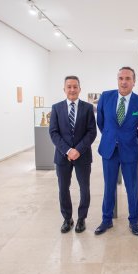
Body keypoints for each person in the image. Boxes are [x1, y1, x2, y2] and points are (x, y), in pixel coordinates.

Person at [95, 66, 138, 236]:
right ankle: (106, 219)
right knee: (109, 186)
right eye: (121, 78)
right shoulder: (106, 97)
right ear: (117, 80)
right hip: (109, 149)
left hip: (129, 150)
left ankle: (134, 221)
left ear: (134, 81)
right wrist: (112, 137)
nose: (124, 81)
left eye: (128, 78)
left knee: (131, 187)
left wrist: (129, 140)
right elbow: (101, 122)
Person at [49, 75, 97, 234]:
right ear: (64, 89)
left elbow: (92, 132)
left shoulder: (88, 108)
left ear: (80, 89)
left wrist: (78, 150)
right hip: (63, 156)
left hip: (82, 156)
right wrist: (68, 150)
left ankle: (82, 218)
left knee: (85, 188)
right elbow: (54, 133)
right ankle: (67, 218)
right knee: (63, 188)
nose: (72, 89)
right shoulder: (56, 108)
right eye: (69, 86)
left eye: (75, 86)